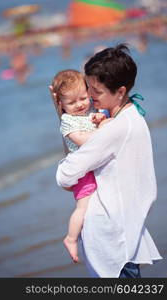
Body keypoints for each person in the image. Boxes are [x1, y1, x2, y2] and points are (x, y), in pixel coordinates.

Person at [55, 44, 162, 278]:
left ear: (120, 91)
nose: (91, 97)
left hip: (110, 234)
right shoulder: (132, 117)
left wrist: (62, 117)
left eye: (96, 91)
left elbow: (64, 177)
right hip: (125, 229)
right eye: (89, 88)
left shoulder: (113, 130)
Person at [51, 70, 111, 263]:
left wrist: (100, 119)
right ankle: (70, 238)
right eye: (71, 102)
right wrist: (102, 129)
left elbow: (95, 121)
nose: (79, 105)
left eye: (83, 98)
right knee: (83, 207)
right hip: (82, 172)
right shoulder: (67, 121)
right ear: (61, 105)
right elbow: (83, 141)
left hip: (92, 167)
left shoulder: (89, 112)